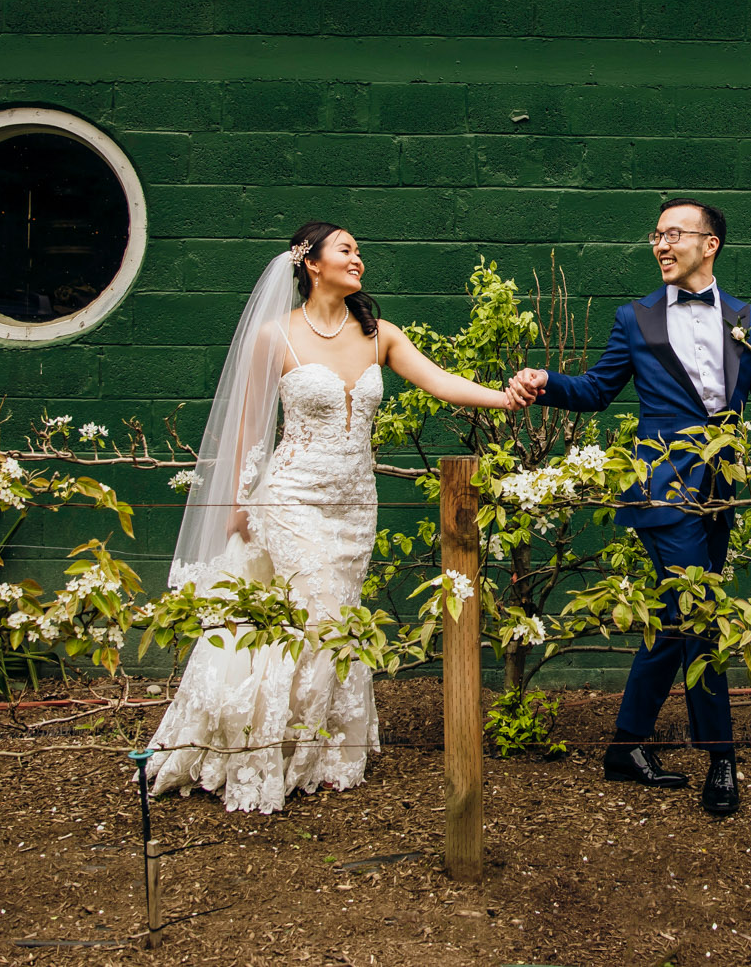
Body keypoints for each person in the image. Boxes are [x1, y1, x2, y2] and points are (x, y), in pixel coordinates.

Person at [147, 220, 530, 813]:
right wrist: (240, 502)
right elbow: (250, 422)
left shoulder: (380, 335)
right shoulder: (275, 337)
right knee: (318, 610)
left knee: (337, 616)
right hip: (292, 496)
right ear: (311, 263)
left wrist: (503, 396)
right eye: (346, 250)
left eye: (359, 252)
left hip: (355, 502)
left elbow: (439, 382)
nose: (359, 260)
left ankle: (322, 753)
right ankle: (267, 749)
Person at [507, 198, 751, 817]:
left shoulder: (750, 319)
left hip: (719, 490)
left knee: (676, 613)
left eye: (675, 234)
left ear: (710, 244)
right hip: (661, 488)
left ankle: (627, 744)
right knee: (700, 611)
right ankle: (720, 756)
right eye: (657, 235)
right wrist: (546, 382)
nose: (661, 245)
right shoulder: (635, 319)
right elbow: (595, 389)